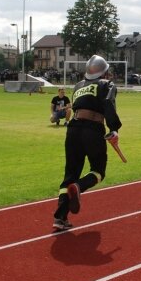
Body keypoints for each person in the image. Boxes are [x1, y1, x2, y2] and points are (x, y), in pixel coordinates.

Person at [53, 55, 122, 231]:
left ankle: (60, 218)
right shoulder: (107, 84)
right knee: (98, 171)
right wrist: (114, 129)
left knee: (70, 173)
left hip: (73, 129)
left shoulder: (77, 86)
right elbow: (108, 103)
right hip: (92, 129)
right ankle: (79, 186)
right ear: (104, 72)